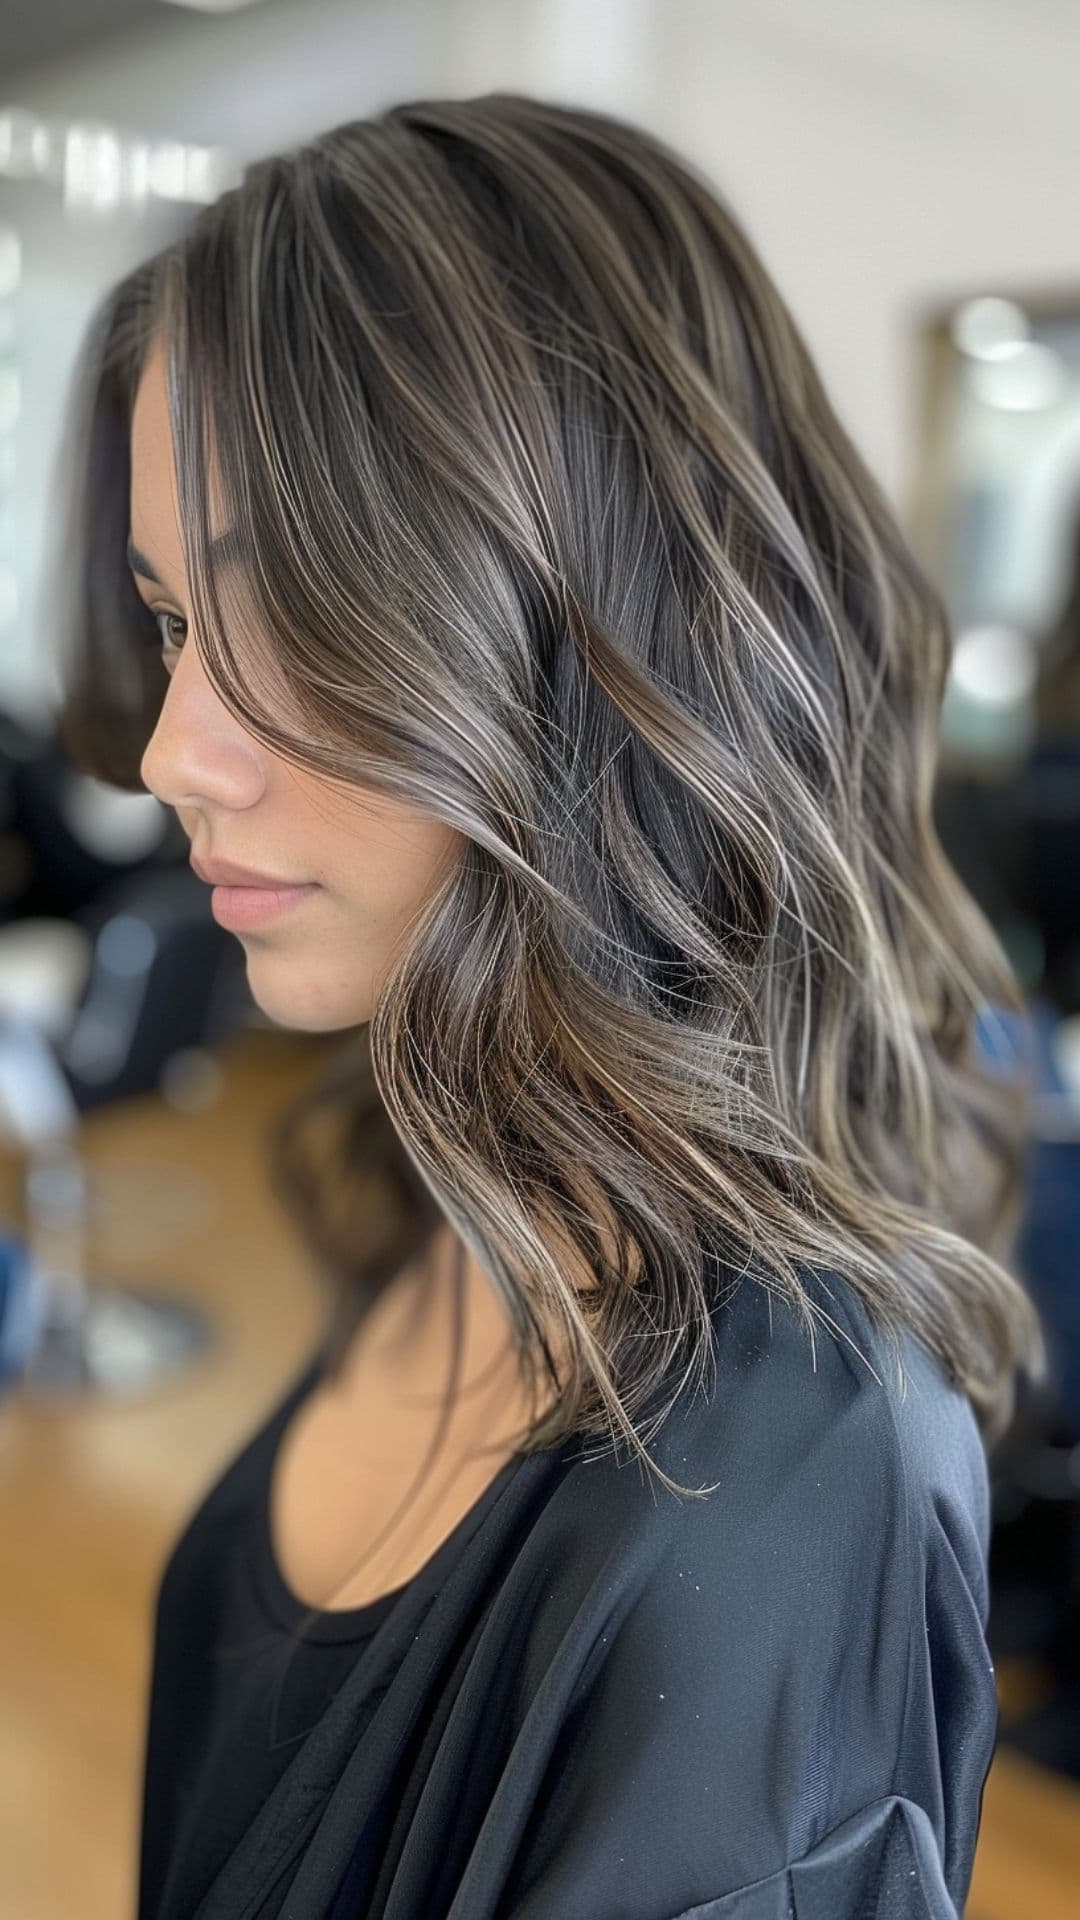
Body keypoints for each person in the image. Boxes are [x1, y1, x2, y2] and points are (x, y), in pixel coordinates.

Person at [49, 92, 1048, 1920]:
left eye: (286, 608)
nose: (175, 750)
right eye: (174, 620)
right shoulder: (459, 1169)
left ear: (606, 611)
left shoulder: (781, 1504)